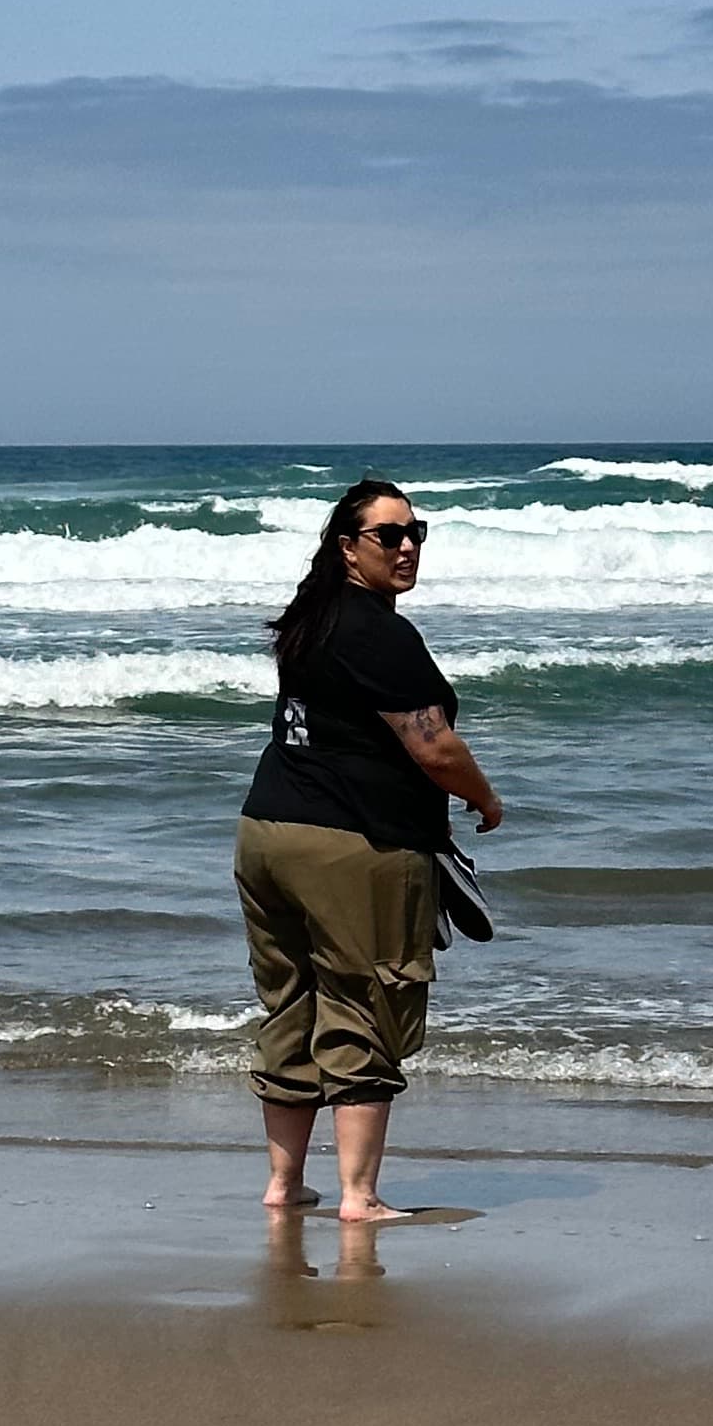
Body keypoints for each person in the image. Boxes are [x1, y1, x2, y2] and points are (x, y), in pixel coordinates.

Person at [235, 475, 504, 1225]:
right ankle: (360, 1196)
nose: (409, 546)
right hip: (350, 844)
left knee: (289, 1004)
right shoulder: (376, 631)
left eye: (417, 531)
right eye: (390, 535)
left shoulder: (310, 619)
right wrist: (484, 798)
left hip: (267, 832)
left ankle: (285, 1185)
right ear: (349, 548)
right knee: (366, 1001)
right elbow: (433, 745)